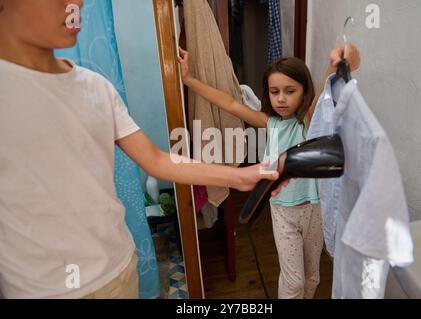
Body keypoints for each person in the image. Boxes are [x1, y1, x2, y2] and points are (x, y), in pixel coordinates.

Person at [0, 0, 283, 299]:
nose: (76, 5)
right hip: (44, 289)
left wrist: (240, 177)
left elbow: (157, 160)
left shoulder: (96, 88)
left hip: (119, 269)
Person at [178, 44, 360, 298]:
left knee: (312, 278)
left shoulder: (309, 119)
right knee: (294, 281)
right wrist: (189, 80)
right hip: (283, 211)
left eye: (290, 91)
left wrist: (344, 55)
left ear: (304, 91)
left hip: (314, 210)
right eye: (275, 92)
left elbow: (329, 80)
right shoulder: (269, 123)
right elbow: (229, 103)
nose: (281, 99)